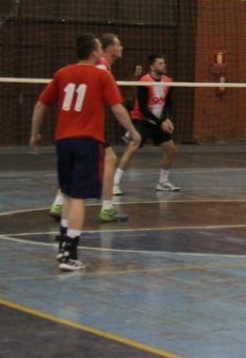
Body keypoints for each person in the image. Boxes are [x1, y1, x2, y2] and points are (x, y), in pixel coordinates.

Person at [31, 34, 137, 272]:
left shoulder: (62, 73)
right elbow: (118, 108)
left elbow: (40, 105)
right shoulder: (102, 75)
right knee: (78, 198)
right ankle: (70, 254)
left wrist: (34, 134)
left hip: (63, 142)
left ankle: (63, 246)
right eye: (100, 48)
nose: (102, 52)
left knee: (68, 194)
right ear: (94, 53)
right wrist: (132, 131)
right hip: (87, 141)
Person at [49, 32, 131, 222]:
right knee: (108, 159)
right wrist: (131, 129)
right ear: (108, 49)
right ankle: (106, 208)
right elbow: (114, 105)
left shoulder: (102, 68)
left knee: (86, 163)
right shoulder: (101, 68)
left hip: (80, 126)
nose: (121, 48)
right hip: (86, 127)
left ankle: (59, 202)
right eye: (118, 44)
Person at [116, 53, 180, 193]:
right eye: (160, 63)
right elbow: (144, 109)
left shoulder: (168, 81)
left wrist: (168, 118)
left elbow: (168, 102)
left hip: (157, 122)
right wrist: (161, 122)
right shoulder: (144, 81)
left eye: (164, 63)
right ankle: (115, 183)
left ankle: (162, 182)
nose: (164, 66)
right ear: (152, 67)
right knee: (133, 146)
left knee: (171, 149)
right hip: (141, 120)